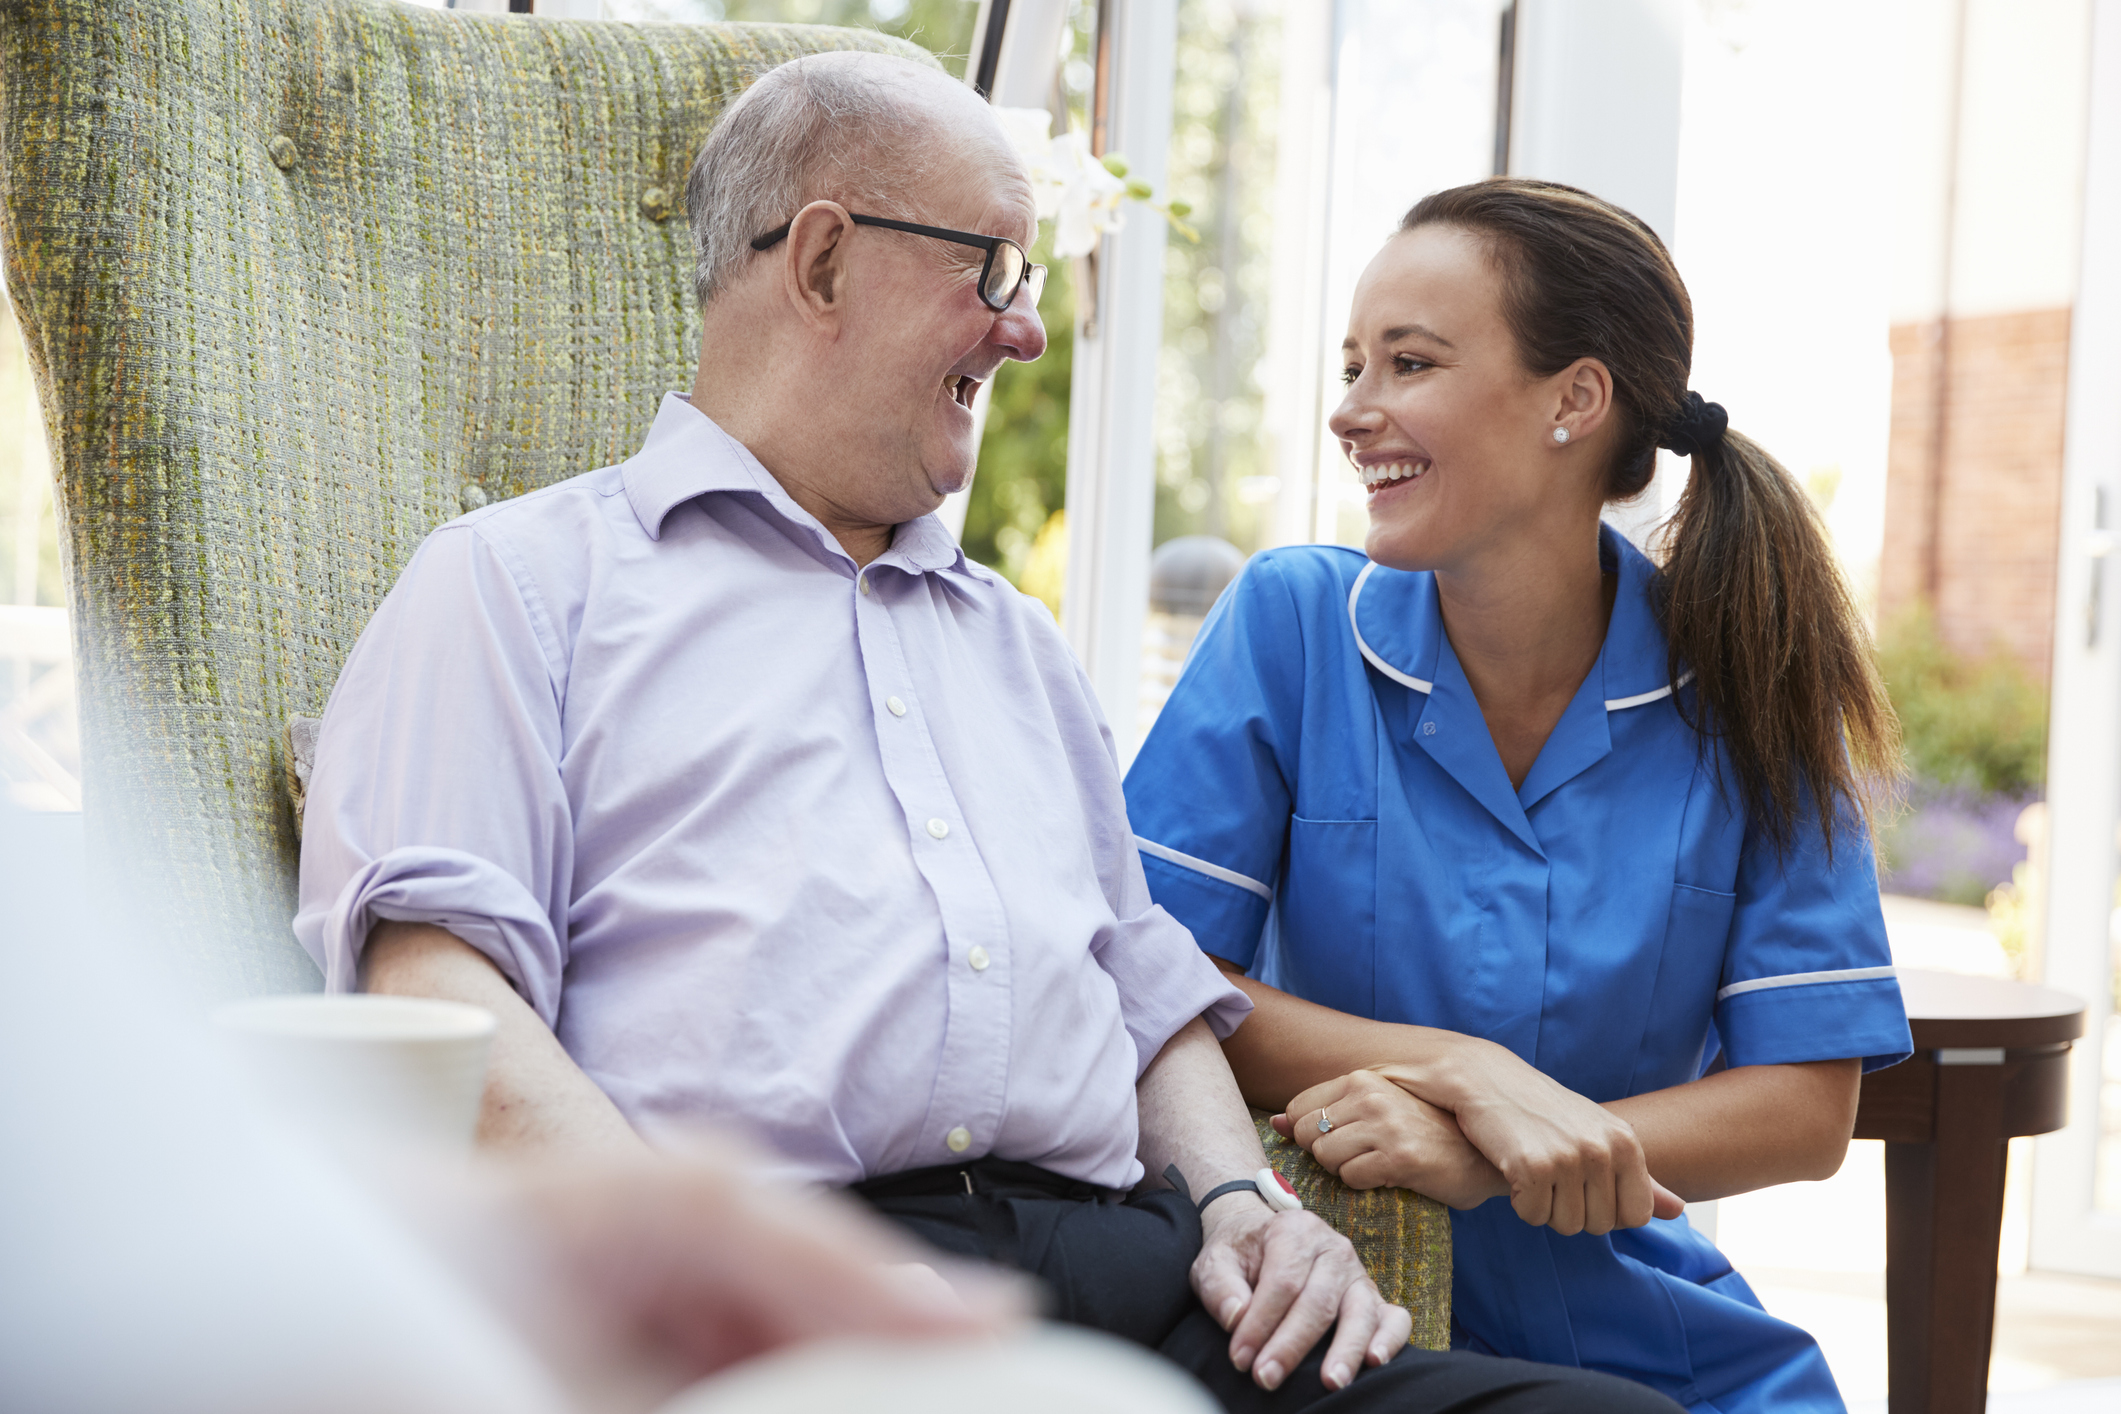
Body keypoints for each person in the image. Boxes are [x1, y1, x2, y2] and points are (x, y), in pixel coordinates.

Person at [294, 55, 1678, 1414]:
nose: (1024, 329)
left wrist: (1242, 1202)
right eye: (991, 271)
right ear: (824, 261)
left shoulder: (1011, 641)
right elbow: (433, 999)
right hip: (804, 1296)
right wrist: (694, 1276)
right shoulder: (518, 584)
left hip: (1140, 1287)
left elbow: (1144, 994)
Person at [1122, 178, 1914, 1414]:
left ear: (1575, 400)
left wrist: (1489, 1152)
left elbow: (1808, 1102)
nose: (1351, 409)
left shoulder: (1752, 685)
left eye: (1410, 363)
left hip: (1651, 1328)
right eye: (1352, 364)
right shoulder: (1291, 626)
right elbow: (1154, 973)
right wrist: (1469, 1068)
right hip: (1350, 1313)